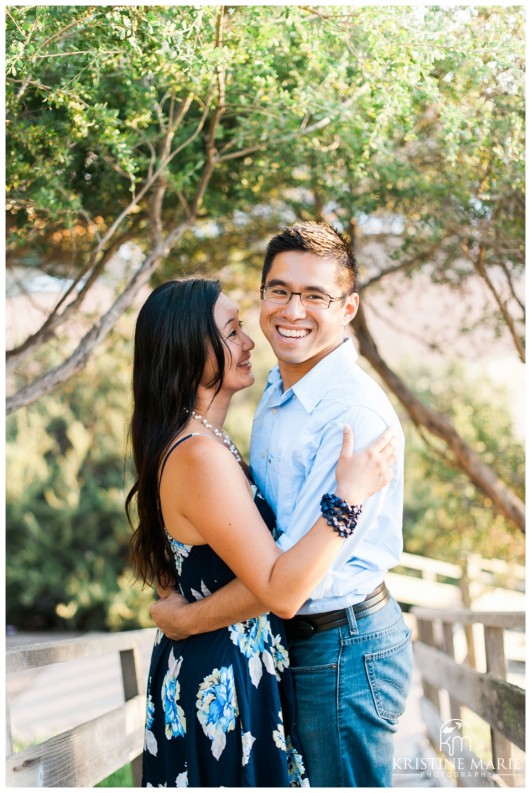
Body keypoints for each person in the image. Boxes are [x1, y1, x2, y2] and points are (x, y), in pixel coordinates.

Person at [151, 221, 414, 787]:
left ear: (348, 308)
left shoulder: (352, 417)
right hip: (278, 650)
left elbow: (285, 585)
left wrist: (184, 620)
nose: (292, 309)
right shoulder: (275, 392)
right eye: (279, 291)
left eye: (316, 295)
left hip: (340, 648)